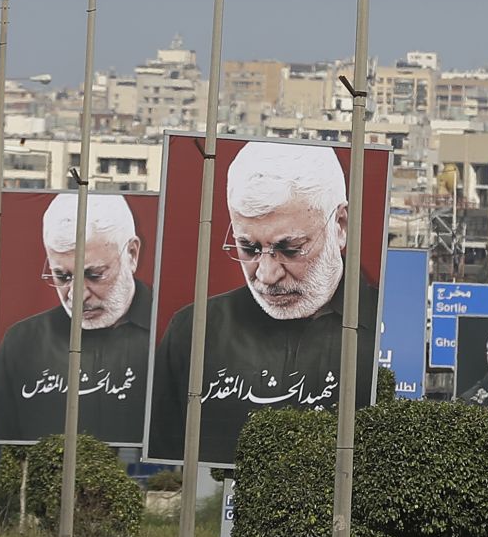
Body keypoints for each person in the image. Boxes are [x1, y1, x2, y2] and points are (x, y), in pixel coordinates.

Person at [149, 143, 377, 464]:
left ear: (340, 225)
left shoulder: (384, 328)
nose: (267, 275)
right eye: (250, 249)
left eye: (290, 249)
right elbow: (166, 457)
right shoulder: (194, 331)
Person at [0, 192, 153, 445]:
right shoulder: (23, 342)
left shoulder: (175, 332)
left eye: (94, 274)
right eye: (63, 277)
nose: (78, 296)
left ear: (132, 254)